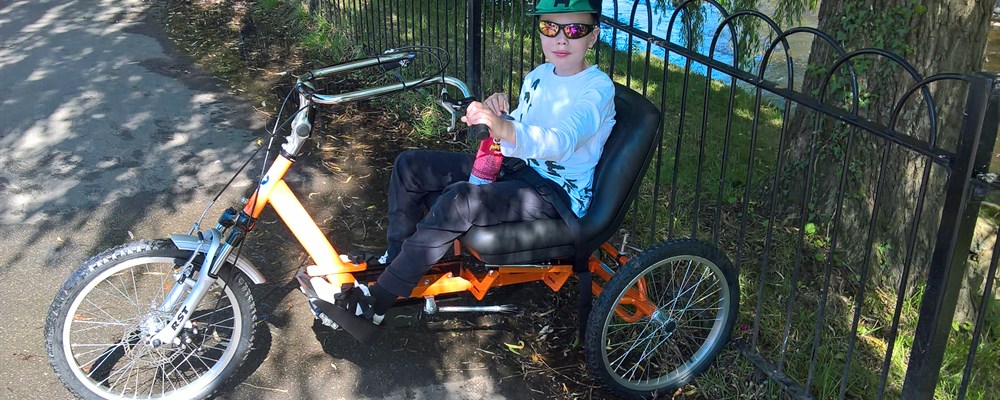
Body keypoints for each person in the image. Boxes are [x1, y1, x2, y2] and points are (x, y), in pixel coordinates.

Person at [334, 0, 616, 328]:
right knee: (410, 165)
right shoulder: (540, 75)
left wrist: (505, 128)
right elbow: (526, 129)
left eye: (574, 30)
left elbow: (561, 141)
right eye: (550, 27)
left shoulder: (597, 89)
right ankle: (396, 260)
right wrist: (502, 115)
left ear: (593, 36)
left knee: (460, 199)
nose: (561, 39)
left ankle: (380, 300)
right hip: (518, 168)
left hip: (556, 193)